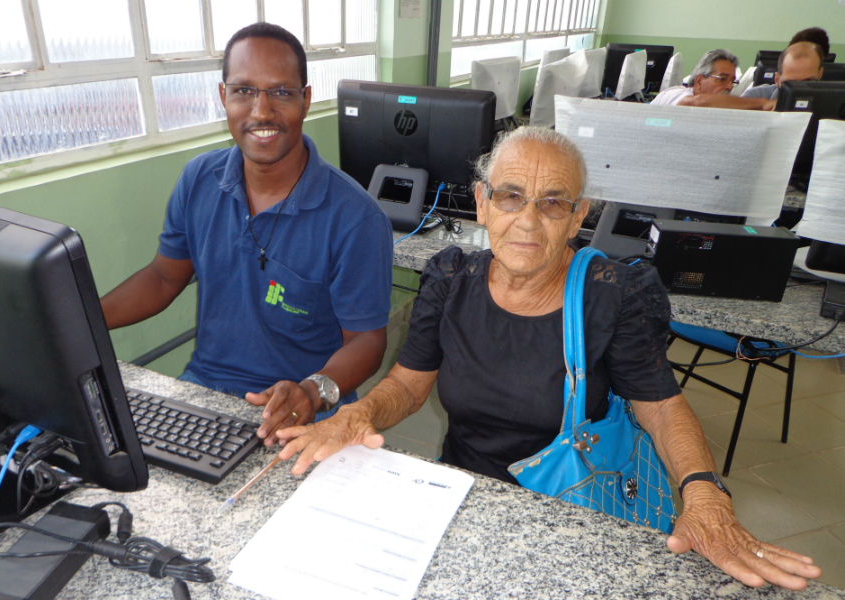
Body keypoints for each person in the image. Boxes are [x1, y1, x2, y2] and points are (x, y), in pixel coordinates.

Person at [276, 126, 823, 591]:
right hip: (467, 492)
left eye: (553, 202)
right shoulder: (450, 279)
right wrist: (361, 413)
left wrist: (705, 494)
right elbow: (409, 383)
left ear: (578, 214)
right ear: (482, 202)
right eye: (510, 196)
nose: (530, 221)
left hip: (574, 507)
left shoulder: (611, 294)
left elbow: (660, 406)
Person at [100, 23, 393, 446]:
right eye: (243, 91)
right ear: (224, 97)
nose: (261, 112)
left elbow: (367, 341)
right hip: (203, 392)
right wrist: (78, 321)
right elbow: (164, 278)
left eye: (281, 92)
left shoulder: (356, 218)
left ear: (306, 100)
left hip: (299, 412)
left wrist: (313, 391)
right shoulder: (199, 178)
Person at [651, 49, 775, 110]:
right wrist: (764, 104)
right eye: (722, 79)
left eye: (733, 81)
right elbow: (694, 103)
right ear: (699, 81)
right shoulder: (675, 93)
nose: (729, 86)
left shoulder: (715, 110)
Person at [742, 41, 824, 100]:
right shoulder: (754, 97)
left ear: (820, 74)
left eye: (808, 81)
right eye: (791, 83)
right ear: (777, 79)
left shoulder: (834, 102)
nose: (800, 89)